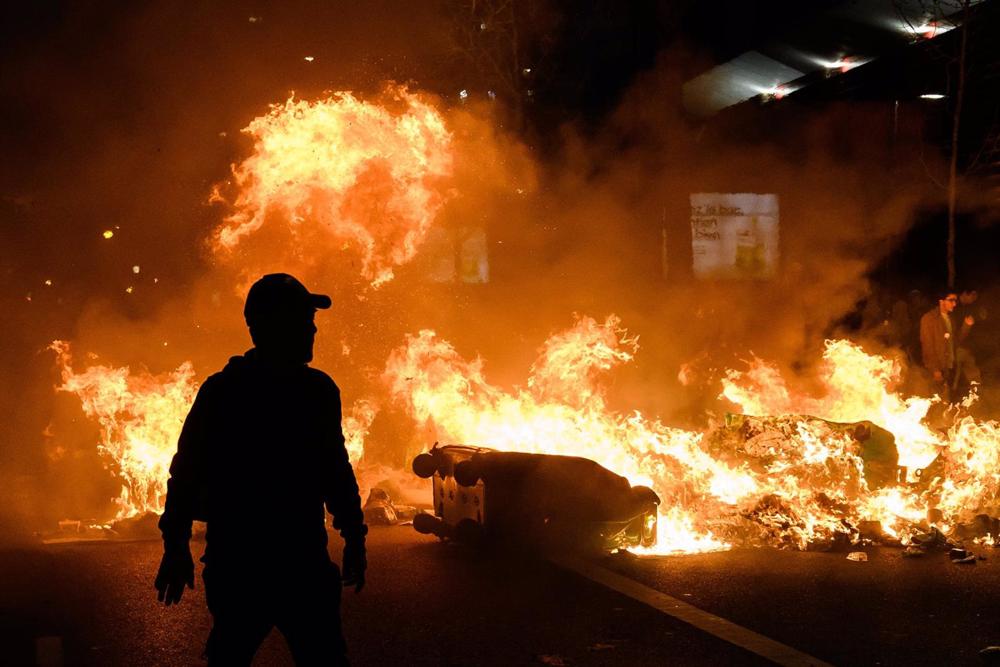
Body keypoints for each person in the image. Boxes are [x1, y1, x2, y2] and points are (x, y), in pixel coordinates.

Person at [154, 273, 367, 666]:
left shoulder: (235, 390)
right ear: (269, 326)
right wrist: (175, 545)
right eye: (303, 319)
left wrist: (355, 534)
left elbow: (334, 468)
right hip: (273, 563)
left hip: (253, 563)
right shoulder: (302, 391)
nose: (312, 328)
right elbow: (186, 473)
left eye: (311, 319)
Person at [919, 288, 973, 401]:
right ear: (941, 301)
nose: (954, 303)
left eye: (955, 300)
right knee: (933, 400)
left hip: (948, 366)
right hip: (936, 368)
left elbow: (956, 341)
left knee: (945, 399)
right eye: (951, 300)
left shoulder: (950, 319)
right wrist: (935, 369)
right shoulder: (929, 319)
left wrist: (966, 326)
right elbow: (927, 346)